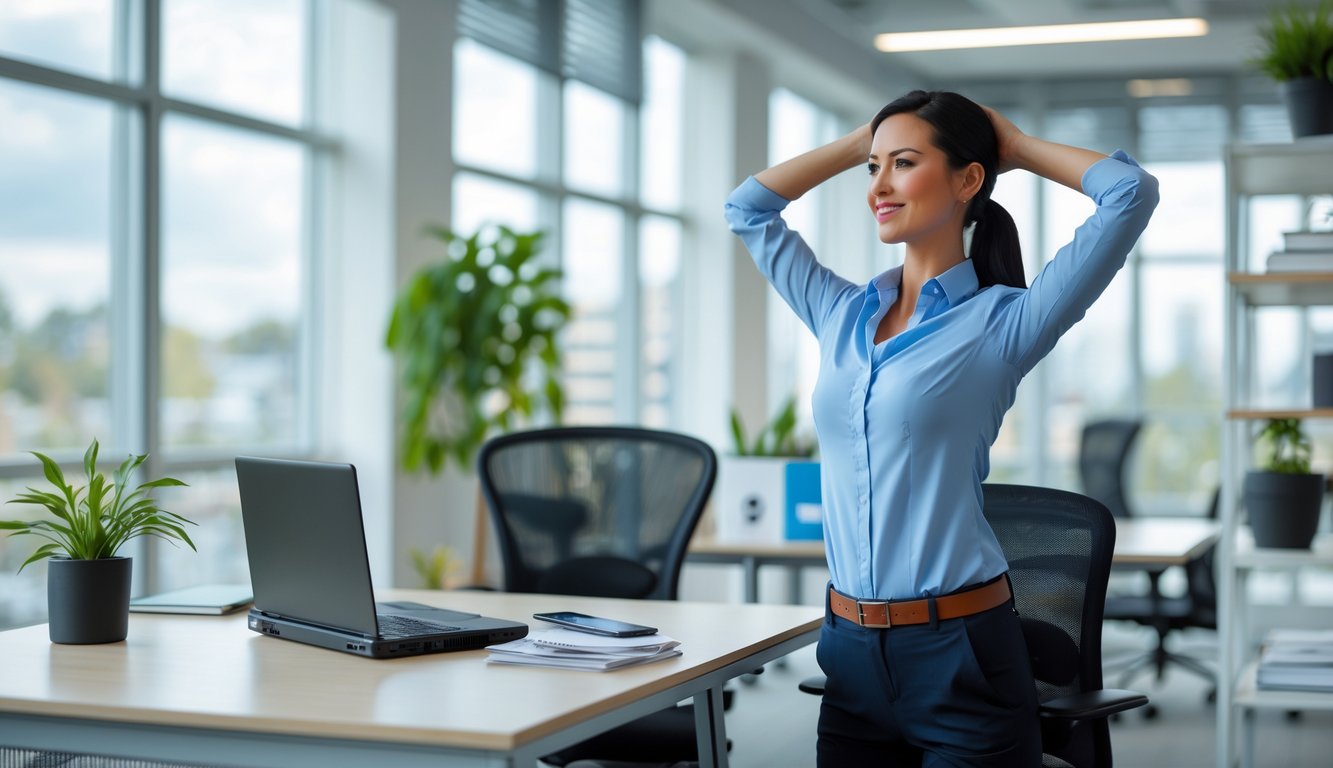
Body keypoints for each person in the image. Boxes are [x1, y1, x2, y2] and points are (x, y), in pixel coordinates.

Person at [724, 90, 1158, 766]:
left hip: (960, 651)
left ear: (966, 180)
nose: (879, 186)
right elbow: (745, 207)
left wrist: (1009, 145)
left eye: (902, 163)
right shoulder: (839, 314)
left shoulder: (1003, 323)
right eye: (873, 168)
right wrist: (857, 143)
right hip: (847, 647)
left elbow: (1128, 193)